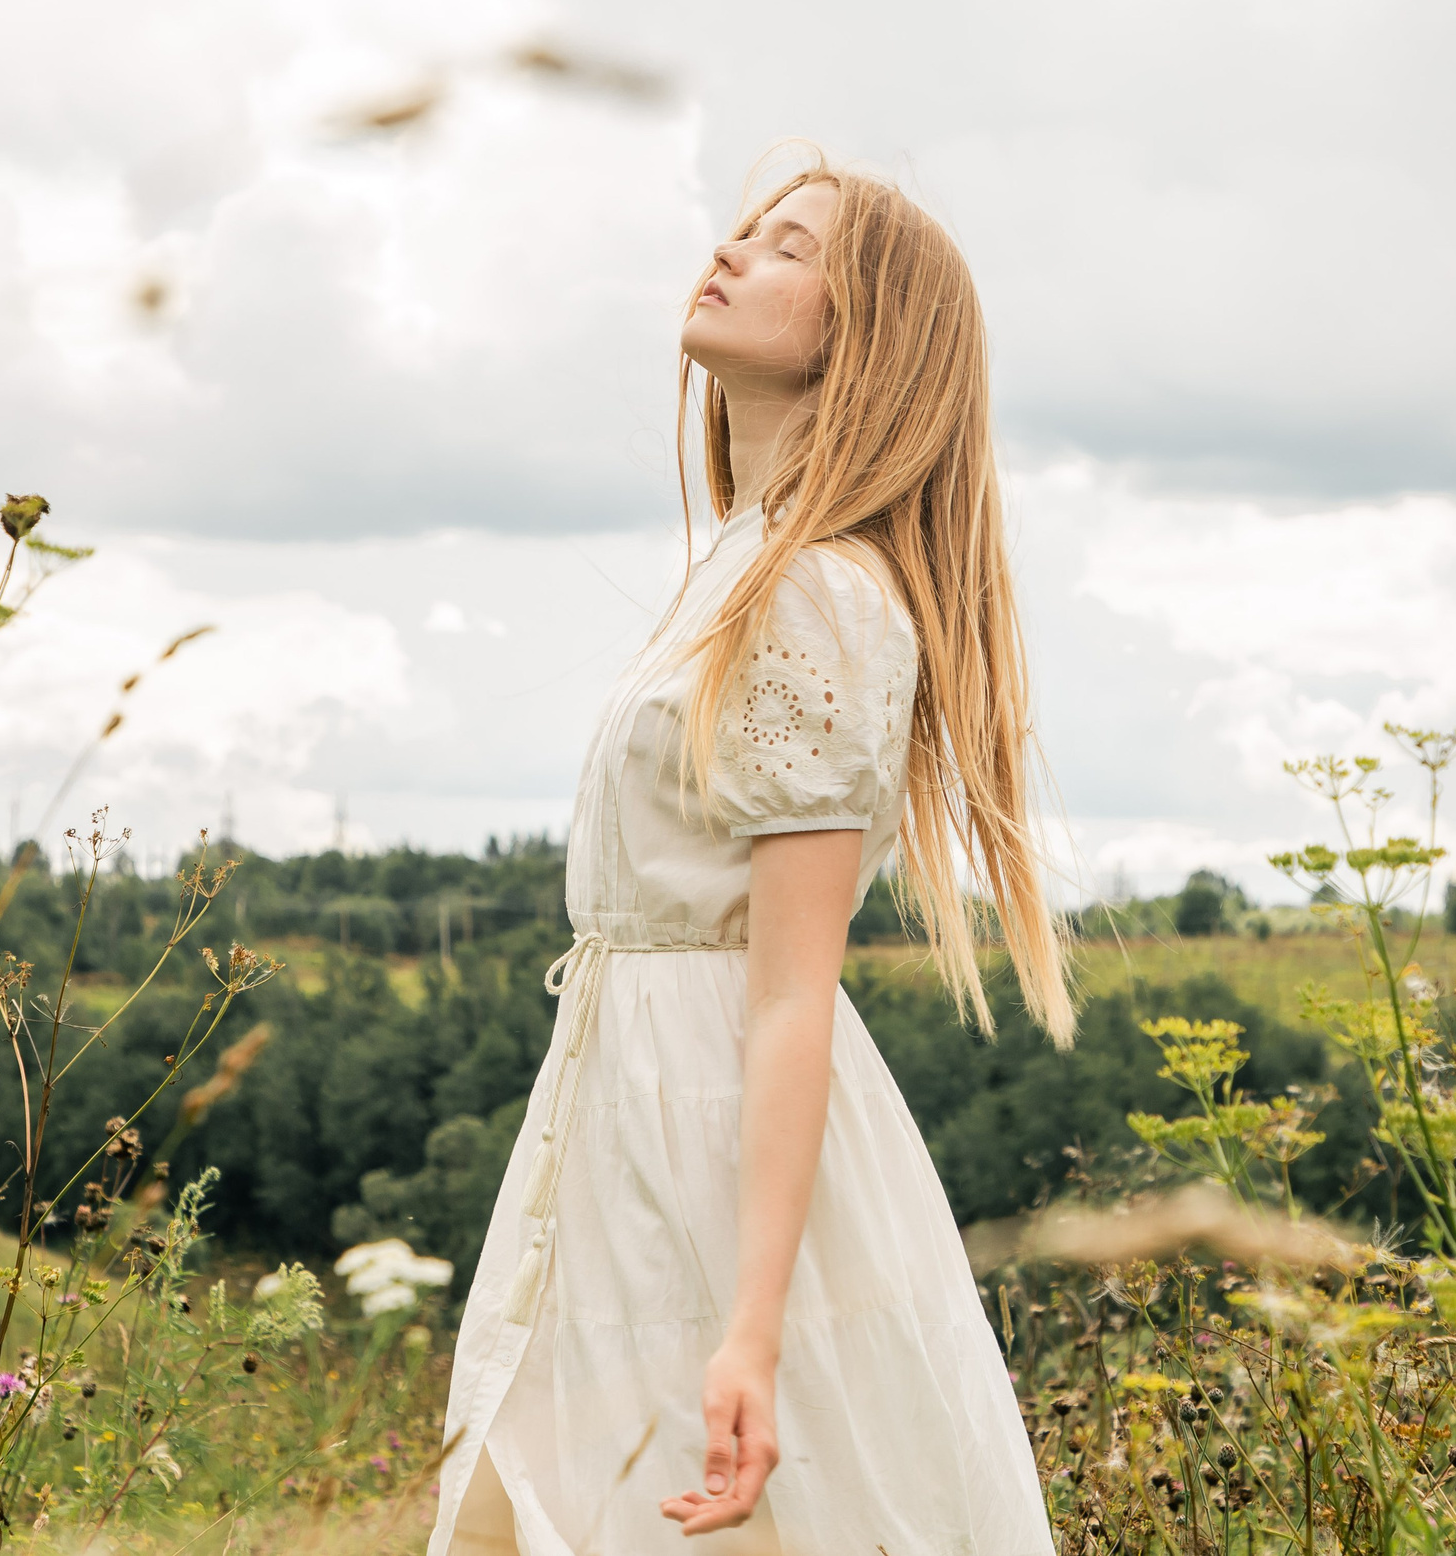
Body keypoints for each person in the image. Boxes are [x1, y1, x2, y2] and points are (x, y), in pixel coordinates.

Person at [429, 151, 1072, 1554]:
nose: (728, 252)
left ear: (864, 338)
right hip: (623, 1105)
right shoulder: (740, 558)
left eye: (787, 248)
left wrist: (752, 1333)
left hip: (709, 1130)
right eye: (740, 229)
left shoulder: (824, 592)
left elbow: (792, 985)